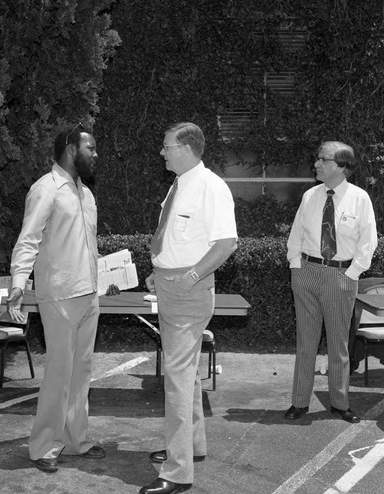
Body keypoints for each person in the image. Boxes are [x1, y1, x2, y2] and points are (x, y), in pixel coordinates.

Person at [6, 124, 119, 473]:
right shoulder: (45, 189)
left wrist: (107, 278)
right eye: (92, 148)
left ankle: (75, 441)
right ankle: (42, 447)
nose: (96, 154)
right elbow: (29, 239)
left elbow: (84, 246)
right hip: (59, 296)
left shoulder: (86, 194)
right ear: (71, 148)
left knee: (81, 374)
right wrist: (18, 282)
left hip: (88, 296)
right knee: (58, 374)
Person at [140, 122, 238, 494]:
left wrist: (192, 275)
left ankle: (177, 472)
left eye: (166, 147)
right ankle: (191, 447)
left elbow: (226, 243)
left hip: (187, 289)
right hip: (171, 284)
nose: (162, 153)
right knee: (189, 374)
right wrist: (158, 271)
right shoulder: (180, 185)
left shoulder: (211, 187)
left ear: (186, 147)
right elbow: (176, 238)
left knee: (177, 378)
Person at [284, 140, 377, 424]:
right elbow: (296, 233)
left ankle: (339, 403)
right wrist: (295, 266)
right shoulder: (310, 195)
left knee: (338, 345)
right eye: (318, 159)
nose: (316, 164)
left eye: (323, 160)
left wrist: (351, 273)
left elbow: (368, 241)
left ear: (341, 166)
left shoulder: (359, 198)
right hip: (307, 273)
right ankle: (299, 403)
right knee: (305, 343)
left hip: (341, 276)